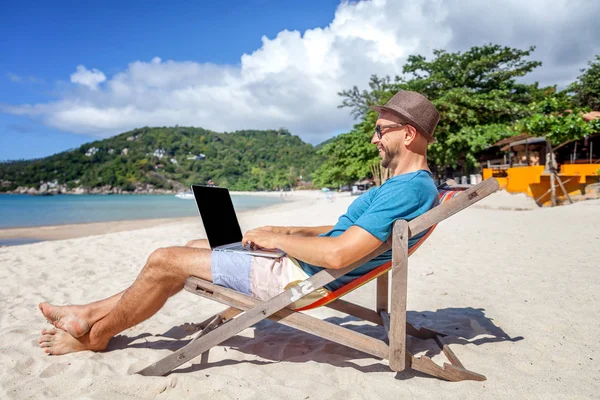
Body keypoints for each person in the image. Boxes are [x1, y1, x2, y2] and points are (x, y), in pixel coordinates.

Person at [38, 90, 440, 355]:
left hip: (294, 279)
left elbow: (338, 254)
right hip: (297, 266)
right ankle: (88, 311)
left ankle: (95, 336)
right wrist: (284, 232)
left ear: (407, 134)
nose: (373, 139)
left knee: (164, 259)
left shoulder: (406, 189)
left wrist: (276, 242)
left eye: (379, 130)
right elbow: (340, 232)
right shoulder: (404, 186)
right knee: (199, 245)